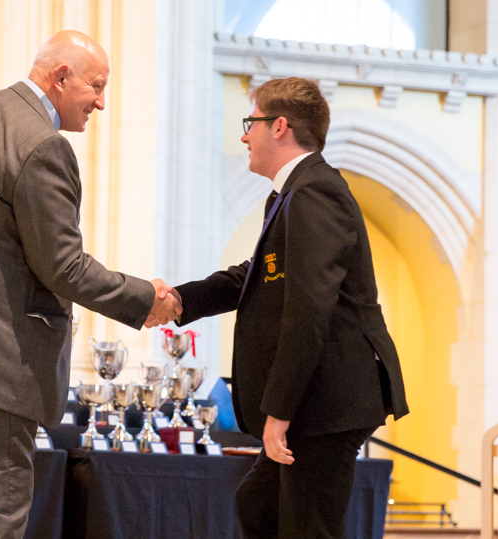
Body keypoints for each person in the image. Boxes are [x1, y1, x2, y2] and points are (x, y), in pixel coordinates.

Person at [0, 30, 181, 538]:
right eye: (97, 86)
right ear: (61, 77)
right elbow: (62, 266)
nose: (102, 103)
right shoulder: (43, 144)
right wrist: (143, 298)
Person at [173, 77, 409, 539]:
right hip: (318, 399)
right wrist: (181, 299)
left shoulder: (315, 192)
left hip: (327, 401)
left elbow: (309, 311)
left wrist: (278, 413)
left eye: (251, 122)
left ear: (279, 126)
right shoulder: (291, 195)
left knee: (305, 527)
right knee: (258, 505)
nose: (244, 135)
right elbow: (256, 277)